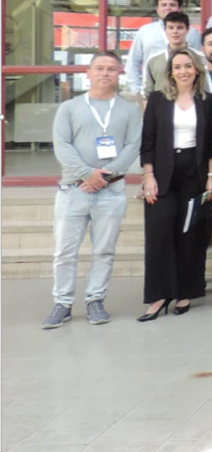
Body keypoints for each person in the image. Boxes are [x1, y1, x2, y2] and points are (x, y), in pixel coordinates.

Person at [42, 53, 141, 329]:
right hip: (73, 190)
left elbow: (133, 146)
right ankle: (62, 303)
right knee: (64, 251)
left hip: (111, 193)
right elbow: (62, 145)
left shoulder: (129, 110)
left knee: (104, 250)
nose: (105, 73)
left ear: (119, 73)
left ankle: (96, 299)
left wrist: (105, 177)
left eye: (111, 69)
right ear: (89, 73)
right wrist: (88, 174)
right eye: (100, 68)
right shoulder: (70, 108)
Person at [138, 49, 212, 320]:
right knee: (159, 232)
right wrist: (148, 176)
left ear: (197, 69)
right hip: (162, 173)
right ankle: (159, 294)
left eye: (188, 66)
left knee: (190, 234)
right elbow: (147, 141)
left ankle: (185, 292)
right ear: (170, 72)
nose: (183, 71)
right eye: (177, 67)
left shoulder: (208, 100)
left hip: (194, 174)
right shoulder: (158, 100)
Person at [126, 0, 202, 96]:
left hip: (187, 93)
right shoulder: (145, 31)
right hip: (154, 91)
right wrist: (137, 92)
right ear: (157, 9)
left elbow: (198, 63)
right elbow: (133, 62)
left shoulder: (192, 33)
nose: (168, 8)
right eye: (163, 5)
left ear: (180, 9)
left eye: (172, 4)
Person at [143, 11, 209, 97]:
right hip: (161, 108)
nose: (175, 31)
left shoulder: (201, 58)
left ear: (188, 30)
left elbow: (207, 89)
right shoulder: (153, 60)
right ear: (165, 30)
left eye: (180, 28)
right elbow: (146, 94)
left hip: (192, 107)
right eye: (171, 28)